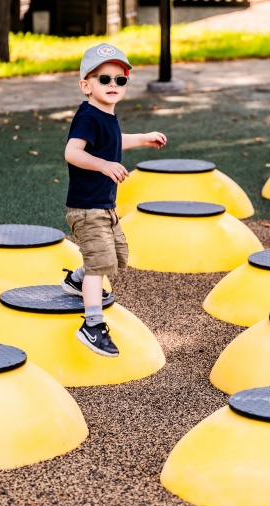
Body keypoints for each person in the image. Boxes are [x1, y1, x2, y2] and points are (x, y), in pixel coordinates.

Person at [61, 43, 167, 357]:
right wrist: (103, 165)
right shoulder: (88, 116)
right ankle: (92, 325)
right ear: (86, 86)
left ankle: (77, 280)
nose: (113, 85)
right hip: (86, 208)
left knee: (117, 257)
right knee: (100, 265)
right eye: (104, 79)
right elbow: (72, 152)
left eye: (120, 80)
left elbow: (113, 142)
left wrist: (143, 138)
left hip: (104, 206)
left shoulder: (107, 115)